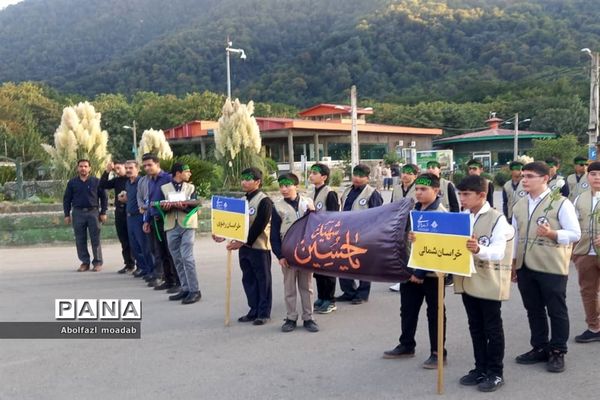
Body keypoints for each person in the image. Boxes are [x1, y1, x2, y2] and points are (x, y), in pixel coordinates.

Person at [512, 161, 580, 373]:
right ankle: (540, 346)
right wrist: (514, 263)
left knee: (556, 310)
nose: (524, 179)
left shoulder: (560, 203)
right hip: (525, 266)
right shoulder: (519, 204)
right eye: (523, 175)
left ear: (545, 178)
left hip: (551, 266)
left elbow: (575, 233)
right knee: (533, 309)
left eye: (530, 176)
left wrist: (553, 234)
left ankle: (558, 350)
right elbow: (515, 236)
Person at [454, 175, 514, 392]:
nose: (462, 198)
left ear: (481, 194)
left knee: (492, 328)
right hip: (468, 280)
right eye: (460, 194)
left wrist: (479, 249)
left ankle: (495, 372)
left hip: (489, 281)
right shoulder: (462, 216)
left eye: (466, 194)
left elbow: (498, 251)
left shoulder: (498, 219)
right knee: (475, 327)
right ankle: (479, 368)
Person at [383, 173, 447, 369]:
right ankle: (406, 345)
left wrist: (419, 273)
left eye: (423, 190)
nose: (418, 193)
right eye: (417, 189)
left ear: (435, 191)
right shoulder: (414, 210)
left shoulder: (441, 214)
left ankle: (438, 353)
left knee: (435, 313)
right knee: (408, 310)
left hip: (431, 274)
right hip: (409, 270)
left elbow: (440, 248)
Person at [213, 167, 273, 326]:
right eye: (243, 178)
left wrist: (242, 242)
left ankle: (263, 313)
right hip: (244, 249)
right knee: (249, 279)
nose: (243, 182)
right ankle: (253, 310)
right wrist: (221, 234)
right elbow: (233, 225)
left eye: (248, 179)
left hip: (260, 248)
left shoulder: (264, 201)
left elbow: (259, 225)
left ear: (257, 182)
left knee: (263, 280)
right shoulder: (241, 201)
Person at [270, 173, 319, 333]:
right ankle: (291, 317)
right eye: (281, 186)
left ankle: (309, 318)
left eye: (287, 185)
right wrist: (280, 255)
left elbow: (316, 227)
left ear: (296, 186)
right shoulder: (277, 206)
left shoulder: (308, 202)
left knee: (307, 286)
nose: (284, 189)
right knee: (289, 287)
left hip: (306, 252)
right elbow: (274, 234)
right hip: (288, 252)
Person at [337, 164, 384, 304]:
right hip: (345, 233)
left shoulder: (372, 193)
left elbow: (378, 216)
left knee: (363, 264)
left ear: (367, 178)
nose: (357, 178)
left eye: (361, 176)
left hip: (364, 234)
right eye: (355, 175)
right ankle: (348, 291)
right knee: (343, 262)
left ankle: (362, 294)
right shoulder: (347, 191)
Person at [161, 163, 201, 305]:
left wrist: (183, 206)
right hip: (171, 225)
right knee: (177, 258)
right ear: (178, 173)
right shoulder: (164, 188)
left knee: (187, 257)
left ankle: (195, 290)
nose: (189, 174)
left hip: (187, 224)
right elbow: (161, 207)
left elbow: (196, 206)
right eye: (186, 171)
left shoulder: (191, 188)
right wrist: (165, 208)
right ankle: (185, 288)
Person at [571, 160, 600, 343]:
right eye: (593, 174)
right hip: (584, 252)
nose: (597, 178)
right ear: (587, 176)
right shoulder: (579, 198)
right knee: (588, 291)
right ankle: (594, 327)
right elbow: (571, 225)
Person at [141, 153, 179, 292]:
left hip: (167, 219)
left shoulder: (168, 178)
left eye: (149, 165)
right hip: (155, 220)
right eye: (145, 166)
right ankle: (168, 280)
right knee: (161, 252)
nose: (147, 168)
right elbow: (149, 201)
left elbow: (176, 198)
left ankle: (177, 282)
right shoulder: (150, 181)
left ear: (157, 164)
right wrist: (146, 219)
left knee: (171, 252)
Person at [63, 159, 108, 272]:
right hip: (78, 213)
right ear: (77, 168)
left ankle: (97, 262)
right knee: (80, 239)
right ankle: (85, 262)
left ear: (90, 168)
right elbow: (67, 199)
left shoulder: (96, 181)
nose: (83, 168)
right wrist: (66, 214)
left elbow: (104, 197)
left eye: (85, 166)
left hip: (93, 212)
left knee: (95, 238)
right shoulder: (72, 183)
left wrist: (103, 212)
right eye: (81, 166)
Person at [308, 163, 340, 314]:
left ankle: (330, 300)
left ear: (324, 177)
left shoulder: (330, 193)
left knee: (328, 269)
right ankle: (321, 297)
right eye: (311, 172)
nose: (311, 175)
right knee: (318, 269)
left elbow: (334, 216)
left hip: (327, 237)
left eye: (315, 173)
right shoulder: (311, 191)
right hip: (315, 236)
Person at [100, 160, 135, 274]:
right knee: (124, 240)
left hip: (131, 212)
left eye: (119, 168)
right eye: (116, 169)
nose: (117, 171)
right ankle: (128, 264)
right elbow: (102, 185)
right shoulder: (117, 181)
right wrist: (107, 171)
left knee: (134, 240)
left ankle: (141, 264)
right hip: (120, 213)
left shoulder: (132, 180)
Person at [123, 160, 153, 279]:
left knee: (144, 245)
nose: (128, 170)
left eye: (131, 168)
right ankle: (142, 268)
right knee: (134, 245)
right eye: (127, 168)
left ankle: (151, 269)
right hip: (130, 217)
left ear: (138, 169)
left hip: (140, 216)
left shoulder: (142, 182)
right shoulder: (128, 183)